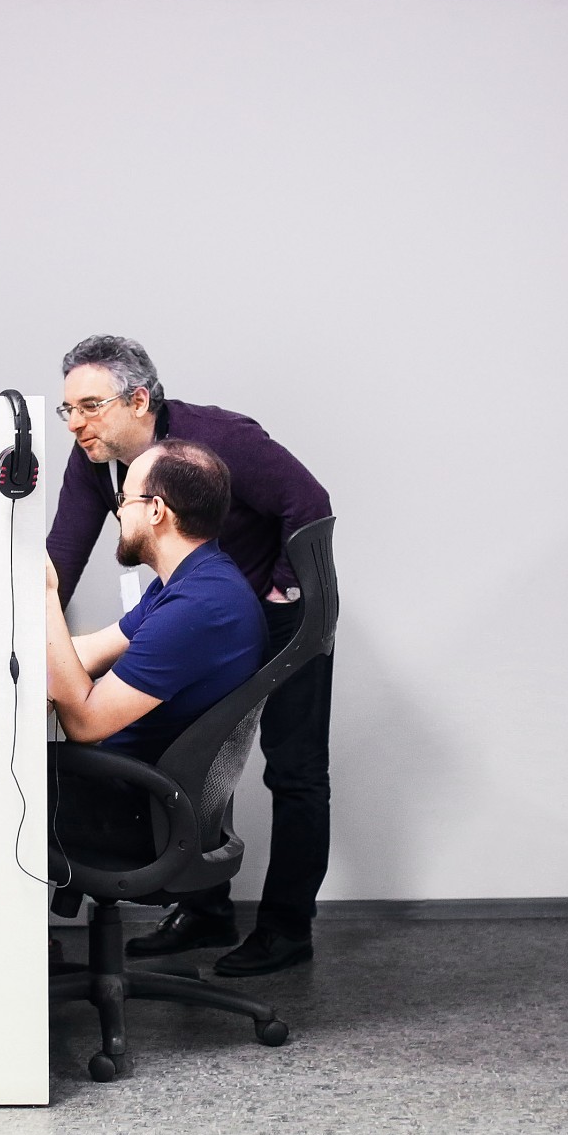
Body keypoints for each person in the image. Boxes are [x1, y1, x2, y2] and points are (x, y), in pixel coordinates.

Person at [47, 334, 333, 977]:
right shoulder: (96, 457)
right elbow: (61, 557)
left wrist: (280, 591)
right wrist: (27, 622)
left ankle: (287, 929)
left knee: (295, 770)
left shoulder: (218, 440)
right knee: (192, 741)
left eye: (89, 407)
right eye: (68, 409)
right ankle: (205, 912)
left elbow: (309, 504)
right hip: (204, 608)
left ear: (137, 400)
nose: (75, 423)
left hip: (283, 614)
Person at [45, 439, 264, 862]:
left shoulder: (198, 608)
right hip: (134, 793)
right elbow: (88, 652)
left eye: (124, 500)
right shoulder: (192, 581)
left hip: (131, 811)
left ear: (156, 510)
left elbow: (85, 724)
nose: (118, 513)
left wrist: (47, 595)